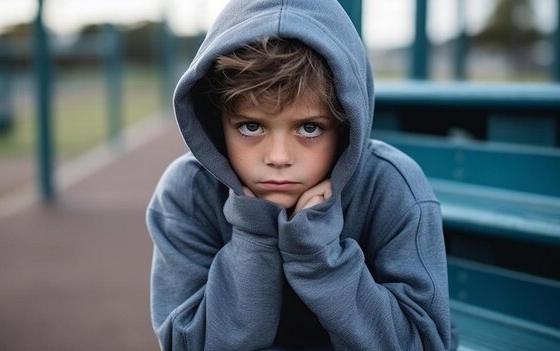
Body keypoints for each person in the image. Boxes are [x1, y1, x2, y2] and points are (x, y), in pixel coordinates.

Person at [147, 0, 457, 349]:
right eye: (251, 126)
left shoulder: (393, 187)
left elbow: (422, 344)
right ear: (218, 122)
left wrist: (319, 256)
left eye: (309, 128)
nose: (278, 157)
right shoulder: (187, 192)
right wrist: (254, 239)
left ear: (344, 124)